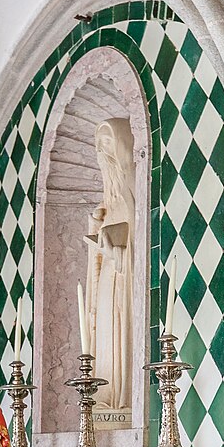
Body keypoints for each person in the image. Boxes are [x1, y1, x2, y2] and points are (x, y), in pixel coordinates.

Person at [85, 120, 135, 411]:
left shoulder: (131, 195)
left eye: (106, 142)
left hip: (121, 277)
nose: (101, 151)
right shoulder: (110, 201)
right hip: (107, 277)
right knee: (104, 333)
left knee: (116, 328)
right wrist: (96, 225)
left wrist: (115, 252)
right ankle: (104, 395)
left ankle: (119, 395)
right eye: (98, 145)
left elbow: (138, 250)